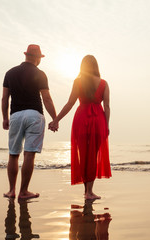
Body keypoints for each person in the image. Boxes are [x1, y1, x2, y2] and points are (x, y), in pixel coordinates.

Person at [49, 55, 111, 200]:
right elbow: (107, 106)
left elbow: (70, 103)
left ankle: (86, 192)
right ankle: (89, 191)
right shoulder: (104, 83)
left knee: (83, 155)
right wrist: (107, 125)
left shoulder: (78, 82)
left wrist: (56, 120)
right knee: (93, 156)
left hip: (81, 119)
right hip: (98, 121)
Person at [1, 44, 56, 199]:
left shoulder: (10, 73)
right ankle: (23, 191)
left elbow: (5, 98)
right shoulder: (40, 74)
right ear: (37, 58)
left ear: (26, 55)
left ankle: (11, 191)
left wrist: (5, 118)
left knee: (13, 154)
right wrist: (55, 118)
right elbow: (47, 98)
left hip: (16, 115)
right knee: (29, 155)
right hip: (34, 115)